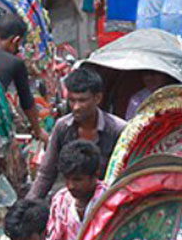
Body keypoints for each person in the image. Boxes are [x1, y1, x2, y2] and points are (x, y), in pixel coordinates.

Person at [29, 67, 126, 200]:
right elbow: (46, 173)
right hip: (72, 202)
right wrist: (27, 207)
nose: (76, 107)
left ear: (98, 98)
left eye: (82, 100)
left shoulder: (118, 130)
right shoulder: (62, 127)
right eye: (72, 100)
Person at [0, 14, 46, 142]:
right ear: (16, 40)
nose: (18, 50)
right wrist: (38, 131)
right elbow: (27, 103)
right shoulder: (14, 62)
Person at [46, 140, 106, 240]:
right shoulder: (60, 201)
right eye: (67, 179)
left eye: (77, 180)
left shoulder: (110, 200)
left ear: (95, 175)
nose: (71, 186)